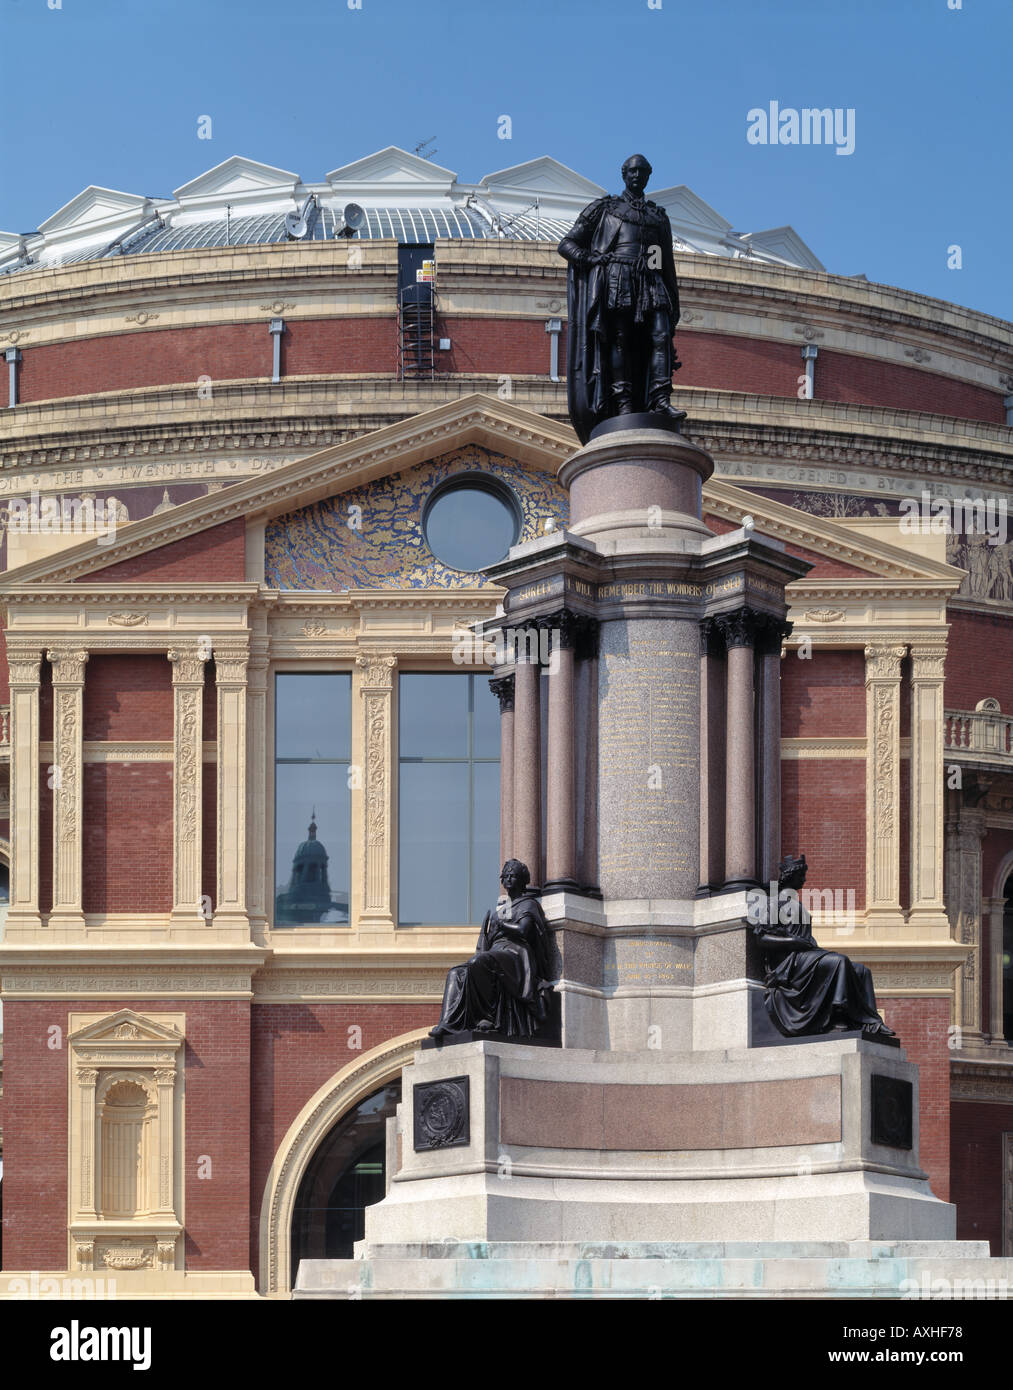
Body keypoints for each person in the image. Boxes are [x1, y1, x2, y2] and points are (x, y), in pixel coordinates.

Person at [558, 153, 685, 443]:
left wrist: (674, 307)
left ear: (649, 175)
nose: (637, 176)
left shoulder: (657, 216)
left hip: (651, 280)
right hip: (617, 279)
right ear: (623, 174)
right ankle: (624, 401)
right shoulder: (606, 209)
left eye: (642, 171)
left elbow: (665, 265)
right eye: (632, 171)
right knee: (619, 340)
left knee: (660, 336)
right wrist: (592, 260)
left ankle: (660, 399)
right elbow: (567, 244)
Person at [752, 854, 896, 1041]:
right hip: (788, 964)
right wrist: (792, 942)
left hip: (805, 956)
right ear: (790, 876)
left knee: (862, 971)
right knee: (839, 962)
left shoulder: (797, 905)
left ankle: (872, 1022)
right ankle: (838, 1017)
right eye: (801, 875)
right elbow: (761, 938)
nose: (804, 880)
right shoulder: (774, 903)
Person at [429, 859, 554, 1040]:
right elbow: (486, 945)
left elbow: (523, 931)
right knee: (456, 973)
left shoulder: (528, 904)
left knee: (478, 962)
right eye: (506, 876)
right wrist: (487, 931)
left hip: (515, 954)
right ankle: (448, 1024)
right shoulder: (500, 911)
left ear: (522, 880)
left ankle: (487, 1017)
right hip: (496, 952)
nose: (509, 879)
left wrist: (501, 925)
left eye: (514, 876)